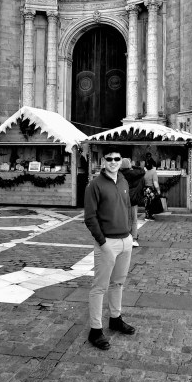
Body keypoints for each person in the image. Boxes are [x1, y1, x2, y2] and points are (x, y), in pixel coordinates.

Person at [84, 149, 136, 351]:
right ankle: (95, 330)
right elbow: (90, 217)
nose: (113, 162)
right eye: (109, 159)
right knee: (99, 287)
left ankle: (115, 318)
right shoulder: (95, 185)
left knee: (118, 283)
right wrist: (102, 242)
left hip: (125, 241)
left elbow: (128, 207)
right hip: (107, 243)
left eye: (117, 158)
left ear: (121, 160)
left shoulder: (123, 181)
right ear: (103, 161)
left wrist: (130, 234)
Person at [119, 157, 145, 241]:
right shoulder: (135, 173)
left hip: (122, 198)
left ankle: (125, 234)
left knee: (124, 218)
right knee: (134, 219)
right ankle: (134, 236)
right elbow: (142, 170)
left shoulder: (119, 174)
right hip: (133, 198)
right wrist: (133, 166)